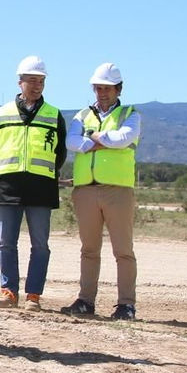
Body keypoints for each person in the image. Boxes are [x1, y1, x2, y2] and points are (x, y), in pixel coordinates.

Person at [62, 63, 142, 320]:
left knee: (123, 251)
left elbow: (123, 139)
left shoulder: (131, 114)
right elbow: (71, 141)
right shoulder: (82, 114)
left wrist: (92, 139)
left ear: (118, 89)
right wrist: (105, 140)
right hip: (86, 190)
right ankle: (86, 301)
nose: (102, 92)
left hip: (117, 190)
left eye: (107, 88)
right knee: (89, 249)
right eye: (98, 88)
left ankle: (126, 304)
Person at [0, 56, 67, 309]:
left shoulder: (54, 115)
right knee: (6, 243)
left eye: (41, 81)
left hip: (41, 188)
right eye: (32, 80)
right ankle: (8, 292)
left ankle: (34, 295)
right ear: (20, 82)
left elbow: (60, 154)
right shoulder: (3, 113)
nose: (37, 85)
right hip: (8, 187)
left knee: (40, 245)